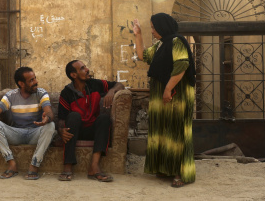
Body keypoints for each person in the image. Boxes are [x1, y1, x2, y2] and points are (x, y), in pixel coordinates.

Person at [133, 13, 196, 188]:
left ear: (162, 26)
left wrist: (168, 89)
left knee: (176, 131)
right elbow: (142, 56)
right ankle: (165, 168)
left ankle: (180, 173)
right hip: (163, 94)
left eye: (153, 27)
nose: (152, 31)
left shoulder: (177, 41)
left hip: (177, 94)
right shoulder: (161, 44)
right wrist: (138, 34)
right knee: (163, 130)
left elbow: (182, 65)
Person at [57, 60, 125, 182]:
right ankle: (67, 166)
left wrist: (111, 91)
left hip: (92, 130)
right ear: (74, 75)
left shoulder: (95, 84)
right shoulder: (66, 92)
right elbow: (61, 119)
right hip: (75, 130)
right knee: (73, 116)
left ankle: (94, 166)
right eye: (82, 68)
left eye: (85, 67)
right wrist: (61, 130)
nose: (87, 69)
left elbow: (119, 85)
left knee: (104, 118)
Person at [0, 67, 55, 180]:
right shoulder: (11, 96)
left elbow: (49, 112)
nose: (36, 82)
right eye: (31, 80)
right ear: (21, 84)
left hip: (35, 133)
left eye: (35, 78)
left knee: (51, 126)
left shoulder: (41, 93)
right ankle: (11, 163)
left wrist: (47, 118)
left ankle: (35, 165)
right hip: (16, 133)